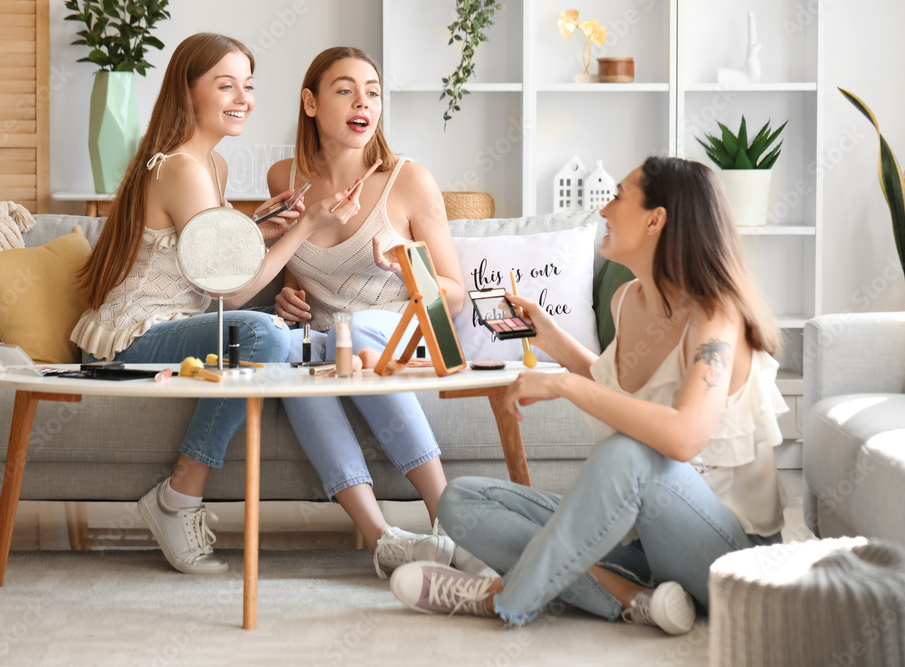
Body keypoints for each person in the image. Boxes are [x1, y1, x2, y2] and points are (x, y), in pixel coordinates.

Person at [389, 156, 789, 635]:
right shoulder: (629, 301)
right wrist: (552, 339)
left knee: (627, 452)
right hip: (643, 545)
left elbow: (681, 438)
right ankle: (632, 599)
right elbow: (616, 386)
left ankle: (503, 597)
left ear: (655, 219)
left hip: (729, 557)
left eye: (618, 196)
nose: (603, 211)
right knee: (460, 500)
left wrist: (562, 383)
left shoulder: (717, 315)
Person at [72, 33, 362, 576]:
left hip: (176, 323)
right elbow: (228, 291)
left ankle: (180, 498)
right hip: (131, 337)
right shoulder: (182, 168)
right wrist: (302, 229)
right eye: (225, 85)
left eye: (248, 85)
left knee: (276, 332)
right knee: (268, 336)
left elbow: (204, 267)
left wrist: (259, 229)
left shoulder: (213, 167)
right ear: (188, 92)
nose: (242, 97)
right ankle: (177, 498)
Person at [265, 46, 489, 579]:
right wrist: (287, 295)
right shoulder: (283, 179)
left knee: (357, 326)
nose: (363, 101)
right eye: (345, 89)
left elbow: (454, 294)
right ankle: (381, 538)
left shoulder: (409, 179)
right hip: (327, 348)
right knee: (293, 354)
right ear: (311, 102)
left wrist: (401, 270)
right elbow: (291, 263)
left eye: (372, 91)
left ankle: (448, 517)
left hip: (400, 330)